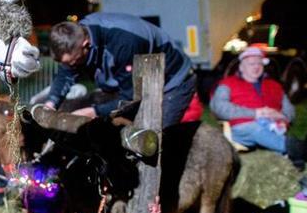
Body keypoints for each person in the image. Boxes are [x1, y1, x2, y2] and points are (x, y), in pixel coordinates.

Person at [44, 12, 197, 130]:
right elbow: (66, 73)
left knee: (152, 138)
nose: (71, 65)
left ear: (86, 44)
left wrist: (94, 112)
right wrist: (51, 103)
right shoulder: (76, 36)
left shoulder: (123, 43)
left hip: (172, 81)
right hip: (134, 79)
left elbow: (129, 97)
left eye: (73, 61)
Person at [209, 46, 307, 169]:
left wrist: (282, 116)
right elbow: (219, 107)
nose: (256, 67)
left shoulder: (274, 85)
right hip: (242, 129)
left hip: (272, 127)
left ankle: (296, 157)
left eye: (259, 64)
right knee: (256, 128)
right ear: (241, 67)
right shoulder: (227, 84)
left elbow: (290, 110)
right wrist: (255, 113)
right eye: (251, 64)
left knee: (269, 134)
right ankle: (300, 148)